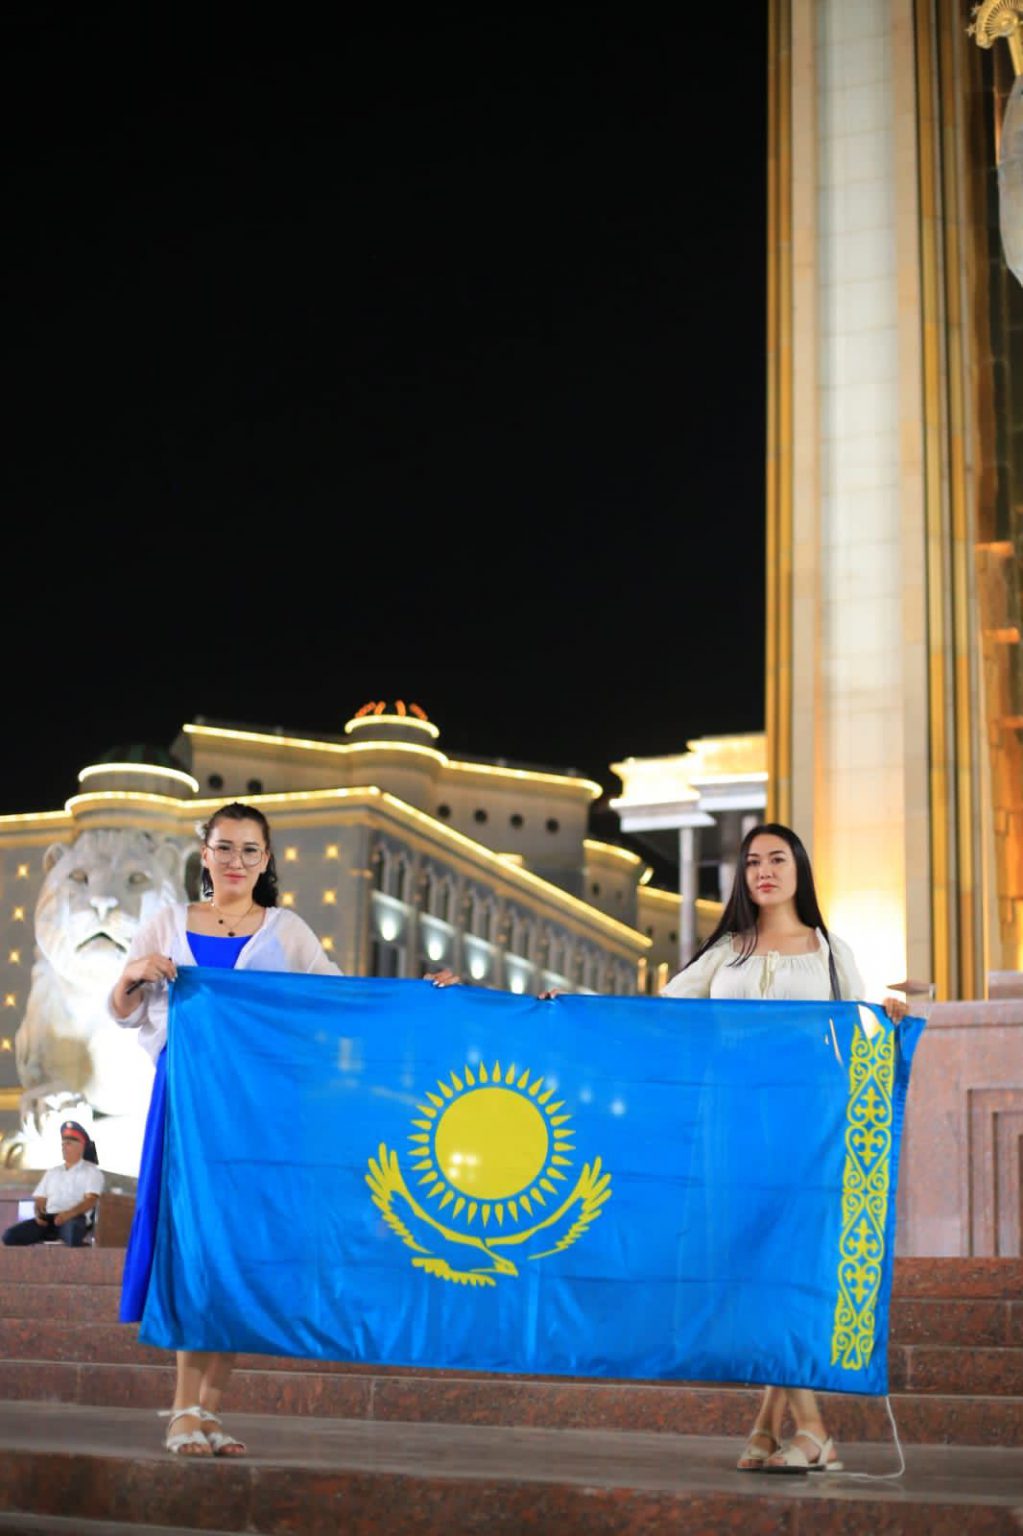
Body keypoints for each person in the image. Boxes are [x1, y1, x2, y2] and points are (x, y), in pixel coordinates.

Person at [109, 800, 454, 1457]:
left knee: (245, 1250)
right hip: (191, 1106)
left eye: (250, 850)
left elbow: (339, 1000)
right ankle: (181, 1409)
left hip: (263, 1117)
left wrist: (418, 993)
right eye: (224, 847)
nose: (236, 861)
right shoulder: (166, 923)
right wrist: (133, 973)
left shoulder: (286, 931)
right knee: (197, 1246)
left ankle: (210, 1413)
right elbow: (124, 1012)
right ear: (204, 853)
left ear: (265, 860)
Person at [660, 821, 907, 1475]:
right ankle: (775, 1428)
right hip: (733, 1120)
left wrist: (887, 1014)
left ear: (798, 870)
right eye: (751, 862)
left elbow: (858, 1030)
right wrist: (565, 1007)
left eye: (776, 859)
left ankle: (809, 1431)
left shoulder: (828, 951)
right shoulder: (725, 952)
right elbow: (660, 1013)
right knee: (749, 1257)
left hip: (805, 1121)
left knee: (782, 1257)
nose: (763, 871)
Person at [2, 1119, 104, 1247]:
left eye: (68, 1144)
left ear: (81, 1146)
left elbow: (90, 1200)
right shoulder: (52, 1173)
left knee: (73, 1234)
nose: (64, 1148)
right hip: (49, 1220)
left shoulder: (91, 1172)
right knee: (10, 1236)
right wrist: (39, 1214)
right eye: (63, 1144)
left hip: (73, 1218)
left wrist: (67, 1215)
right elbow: (40, 1198)